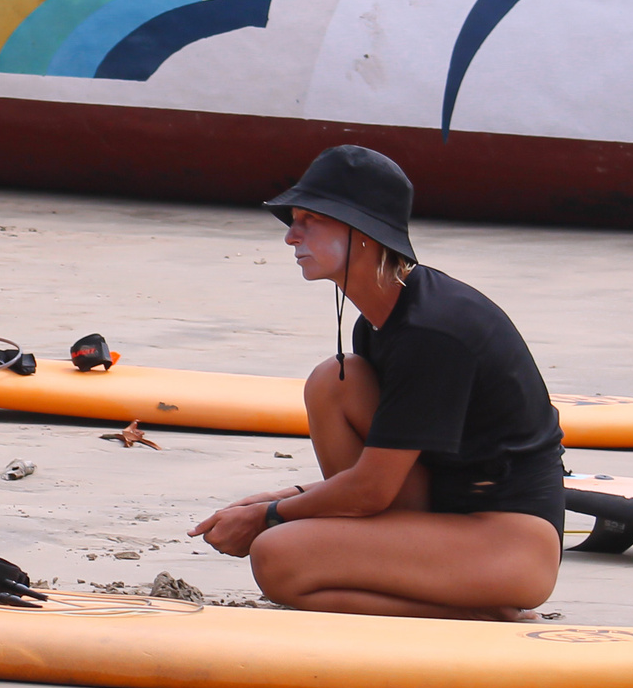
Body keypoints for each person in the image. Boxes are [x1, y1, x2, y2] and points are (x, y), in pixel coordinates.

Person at [189, 145, 564, 620]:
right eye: (294, 221)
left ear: (363, 232)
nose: (290, 237)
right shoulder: (378, 323)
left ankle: (487, 616)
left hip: (511, 543)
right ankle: (436, 584)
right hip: (442, 514)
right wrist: (283, 499)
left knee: (277, 555)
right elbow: (385, 469)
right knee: (334, 380)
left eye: (310, 220)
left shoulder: (434, 329)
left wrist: (269, 515)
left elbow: (371, 490)